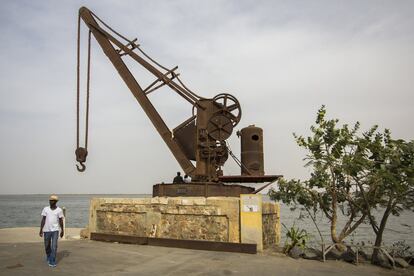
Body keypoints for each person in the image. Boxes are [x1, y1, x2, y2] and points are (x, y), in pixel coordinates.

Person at [39, 195, 64, 268]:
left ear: (56, 202)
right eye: (50, 200)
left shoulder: (59, 210)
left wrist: (62, 230)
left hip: (55, 230)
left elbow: (61, 220)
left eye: (52, 200)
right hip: (46, 230)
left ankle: (52, 261)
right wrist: (41, 230)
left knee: (54, 246)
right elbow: (43, 219)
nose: (51, 202)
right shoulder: (45, 209)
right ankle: (48, 255)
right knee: (47, 245)